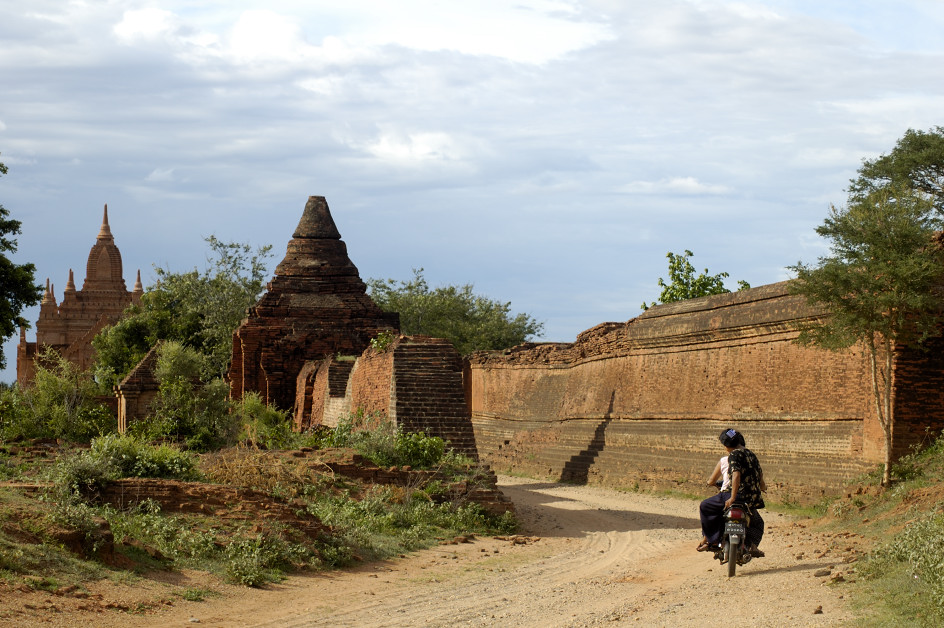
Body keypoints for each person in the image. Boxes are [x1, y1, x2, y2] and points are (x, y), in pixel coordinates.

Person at [696, 429, 766, 556]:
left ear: (726, 446)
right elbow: (760, 476)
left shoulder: (734, 455)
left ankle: (710, 540)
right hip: (750, 499)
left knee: (705, 506)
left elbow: (736, 475)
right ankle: (752, 546)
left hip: (735, 495)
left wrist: (733, 497)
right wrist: (763, 487)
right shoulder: (751, 454)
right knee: (758, 523)